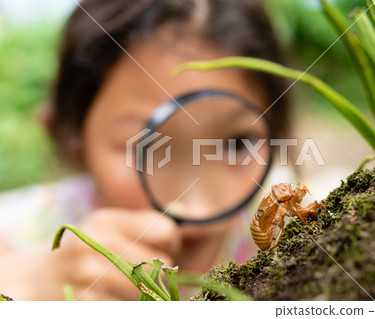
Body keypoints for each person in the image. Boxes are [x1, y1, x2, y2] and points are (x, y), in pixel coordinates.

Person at [0, 0, 291, 300]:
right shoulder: (15, 237)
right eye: (150, 147)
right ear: (72, 142)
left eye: (237, 144)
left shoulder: (282, 222)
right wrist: (21, 286)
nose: (196, 204)